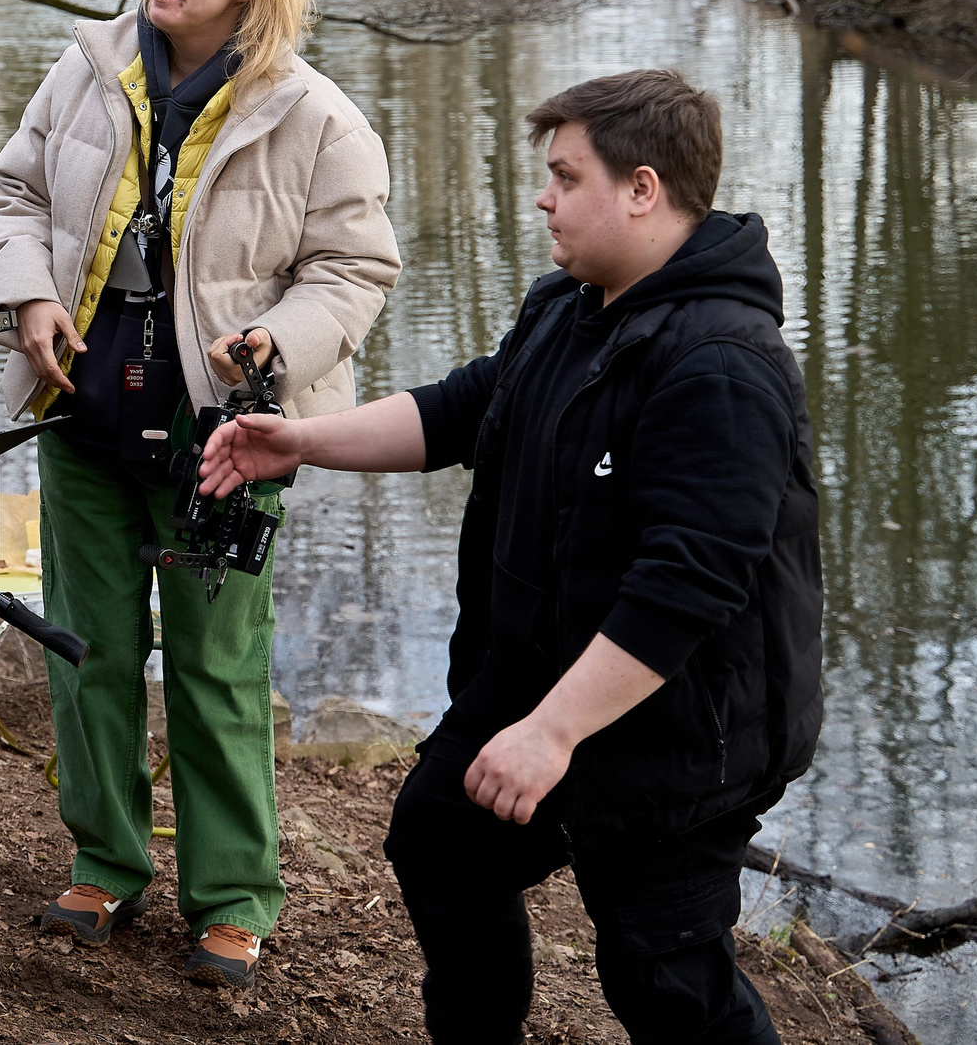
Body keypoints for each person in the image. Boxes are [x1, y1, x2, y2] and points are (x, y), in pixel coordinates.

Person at [199, 69, 825, 1043]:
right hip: (539, 680)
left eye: (566, 177)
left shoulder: (722, 365)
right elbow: (465, 409)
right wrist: (301, 440)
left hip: (679, 730)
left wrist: (551, 733)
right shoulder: (571, 305)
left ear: (642, 189)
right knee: (444, 842)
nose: (543, 197)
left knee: (660, 974)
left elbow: (687, 586)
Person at [0, 0, 401, 987]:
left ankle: (232, 898)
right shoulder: (85, 68)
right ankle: (104, 862)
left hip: (225, 435)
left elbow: (354, 270)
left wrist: (273, 343)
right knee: (89, 651)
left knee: (217, 667)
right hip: (80, 409)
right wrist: (29, 295)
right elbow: (16, 196)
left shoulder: (315, 115)